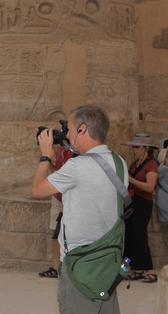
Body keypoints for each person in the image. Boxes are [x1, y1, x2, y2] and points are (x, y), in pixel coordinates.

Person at [33, 105, 128, 314]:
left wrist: (45, 156)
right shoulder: (119, 163)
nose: (66, 134)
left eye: (69, 129)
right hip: (108, 260)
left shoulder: (77, 167)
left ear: (82, 129)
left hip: (80, 264)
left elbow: (38, 189)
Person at [121, 134, 158, 283]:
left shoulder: (151, 165)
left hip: (144, 203)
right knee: (130, 235)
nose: (134, 150)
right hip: (133, 202)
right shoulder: (134, 164)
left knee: (140, 236)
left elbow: (149, 187)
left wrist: (131, 180)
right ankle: (136, 268)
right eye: (133, 147)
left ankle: (150, 270)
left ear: (146, 148)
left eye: (137, 147)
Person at [38, 144, 76, 279]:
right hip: (58, 195)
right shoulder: (61, 150)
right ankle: (56, 265)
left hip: (71, 196)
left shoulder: (78, 151)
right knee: (55, 231)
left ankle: (69, 266)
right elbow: (58, 173)